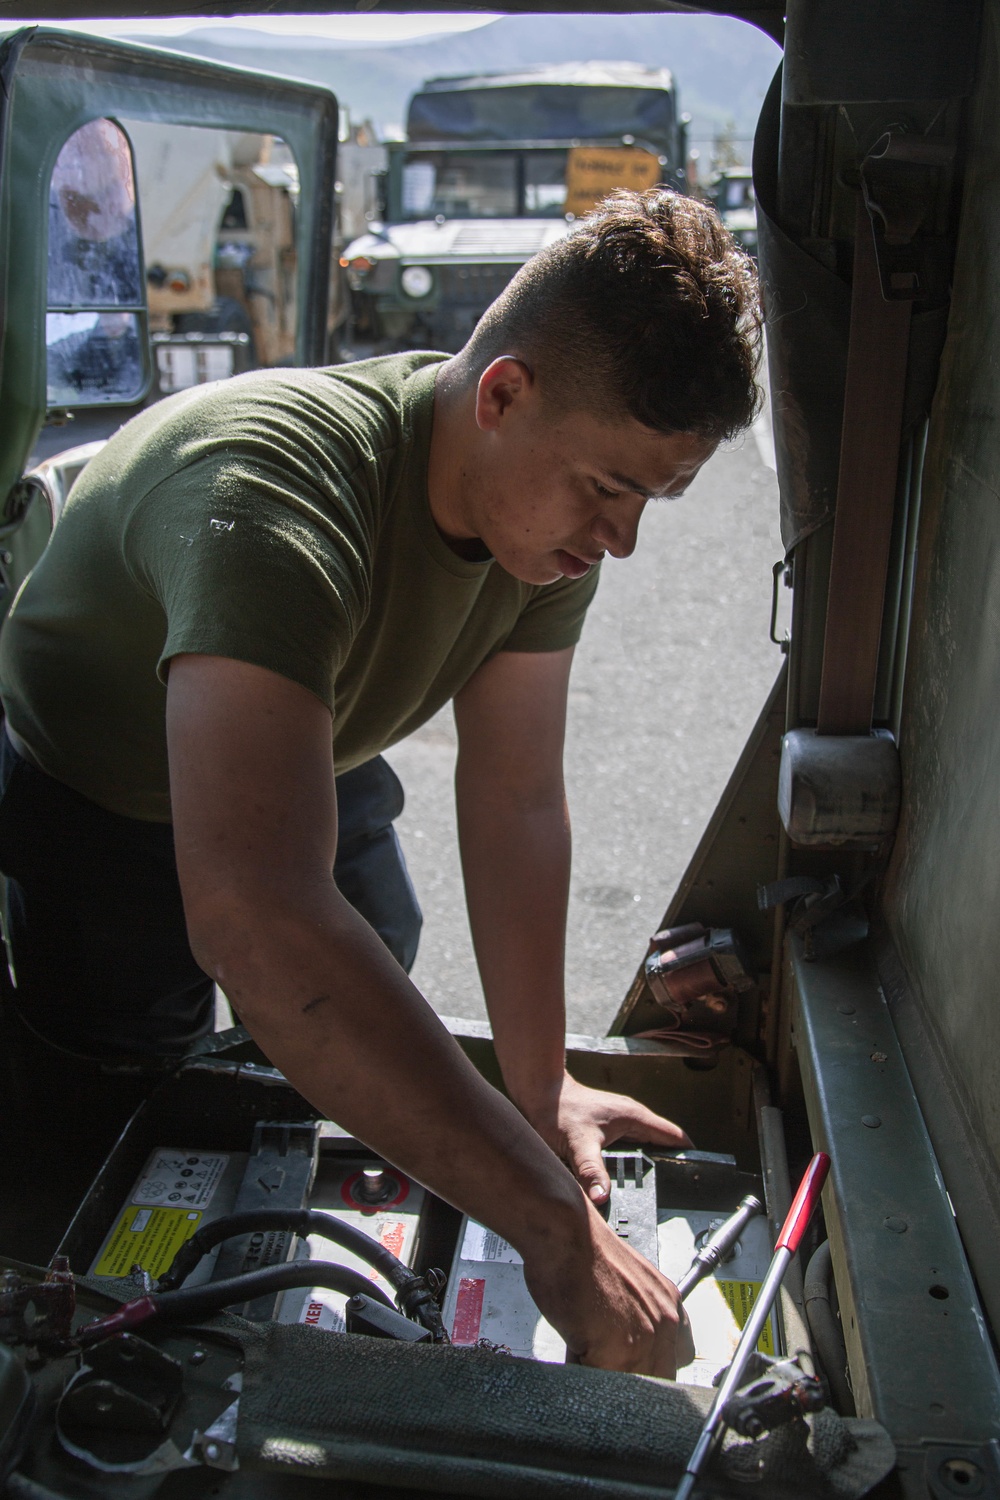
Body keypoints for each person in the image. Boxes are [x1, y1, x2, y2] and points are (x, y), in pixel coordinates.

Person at [0, 187, 760, 1376]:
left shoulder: (540, 515)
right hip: (100, 796)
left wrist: (539, 1085)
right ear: (502, 394)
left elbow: (515, 799)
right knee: (112, 1113)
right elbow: (256, 915)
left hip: (314, 750)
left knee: (367, 989)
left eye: (650, 500)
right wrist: (555, 1237)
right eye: (609, 490)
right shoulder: (274, 497)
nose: (620, 541)